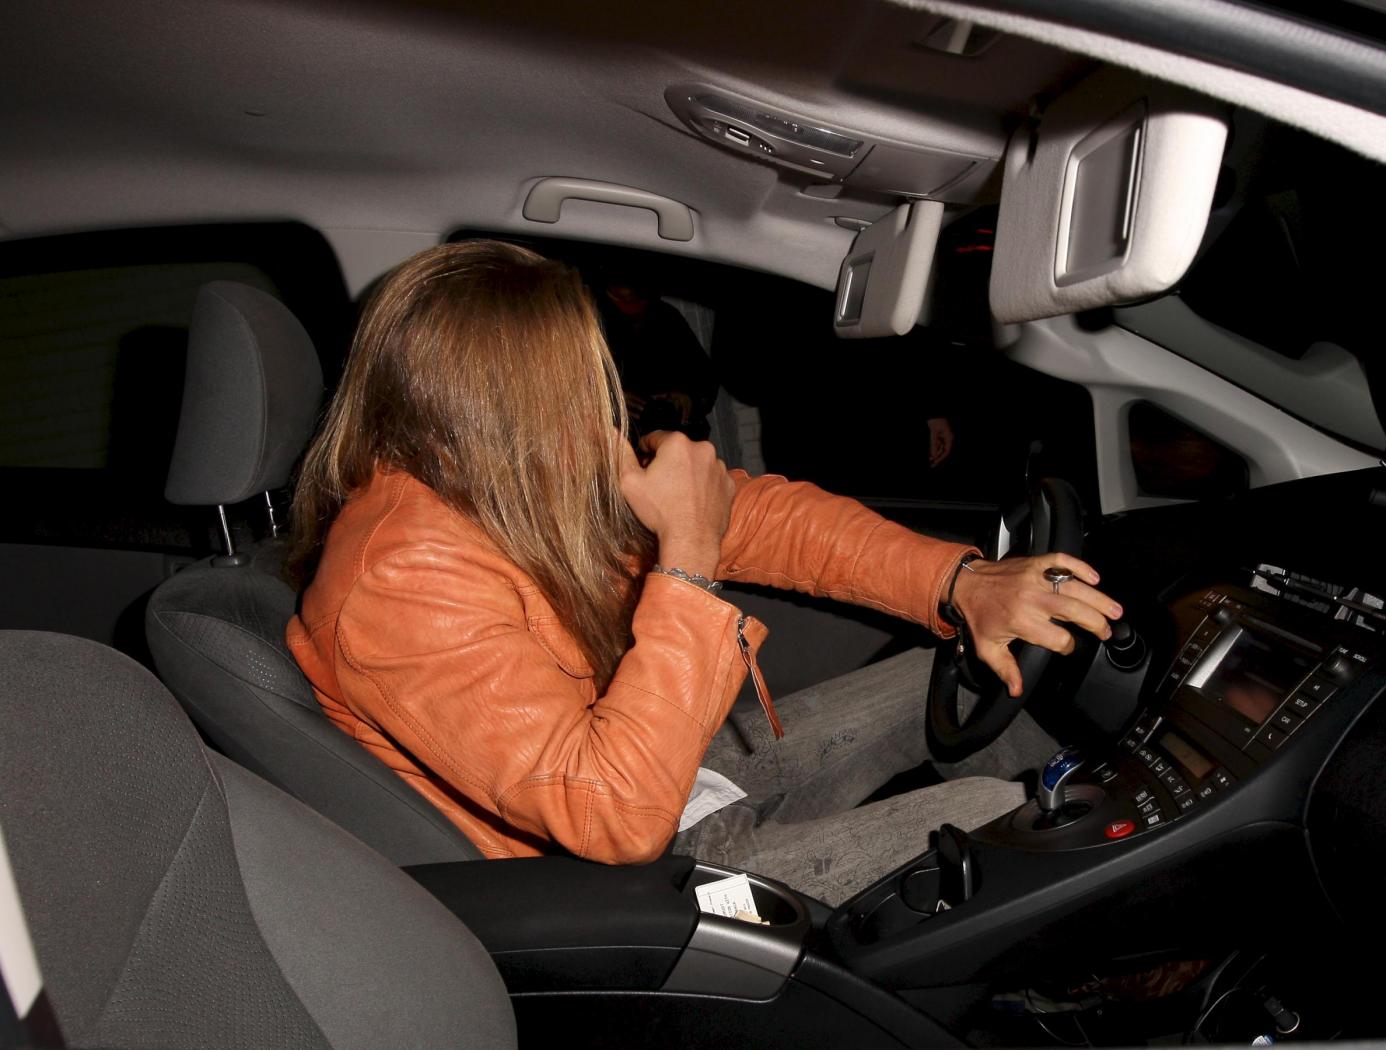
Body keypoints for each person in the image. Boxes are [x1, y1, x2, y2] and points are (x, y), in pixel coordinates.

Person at [285, 240, 1121, 905]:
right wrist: (685, 559)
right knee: (1007, 826)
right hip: (628, 882)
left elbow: (762, 519)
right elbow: (614, 818)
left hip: (671, 772)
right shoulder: (399, 578)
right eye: (576, 381)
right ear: (502, 404)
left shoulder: (498, 480)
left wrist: (958, 582)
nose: (604, 402)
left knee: (954, 684)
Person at [595, 279, 718, 443]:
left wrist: (688, 399)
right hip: (620, 440)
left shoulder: (667, 316)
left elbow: (706, 379)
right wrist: (610, 400)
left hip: (676, 434)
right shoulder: (587, 321)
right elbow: (574, 391)